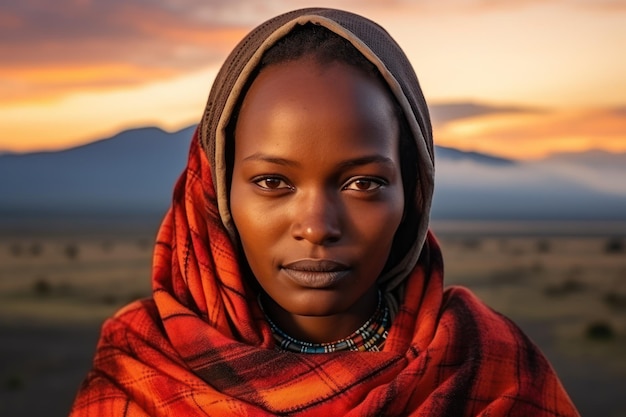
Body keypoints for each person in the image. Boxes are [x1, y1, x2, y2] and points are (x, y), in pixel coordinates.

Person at [70, 7, 580, 416]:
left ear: (413, 193)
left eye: (364, 183)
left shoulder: (486, 362)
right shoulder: (143, 365)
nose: (316, 226)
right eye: (272, 182)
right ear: (218, 192)